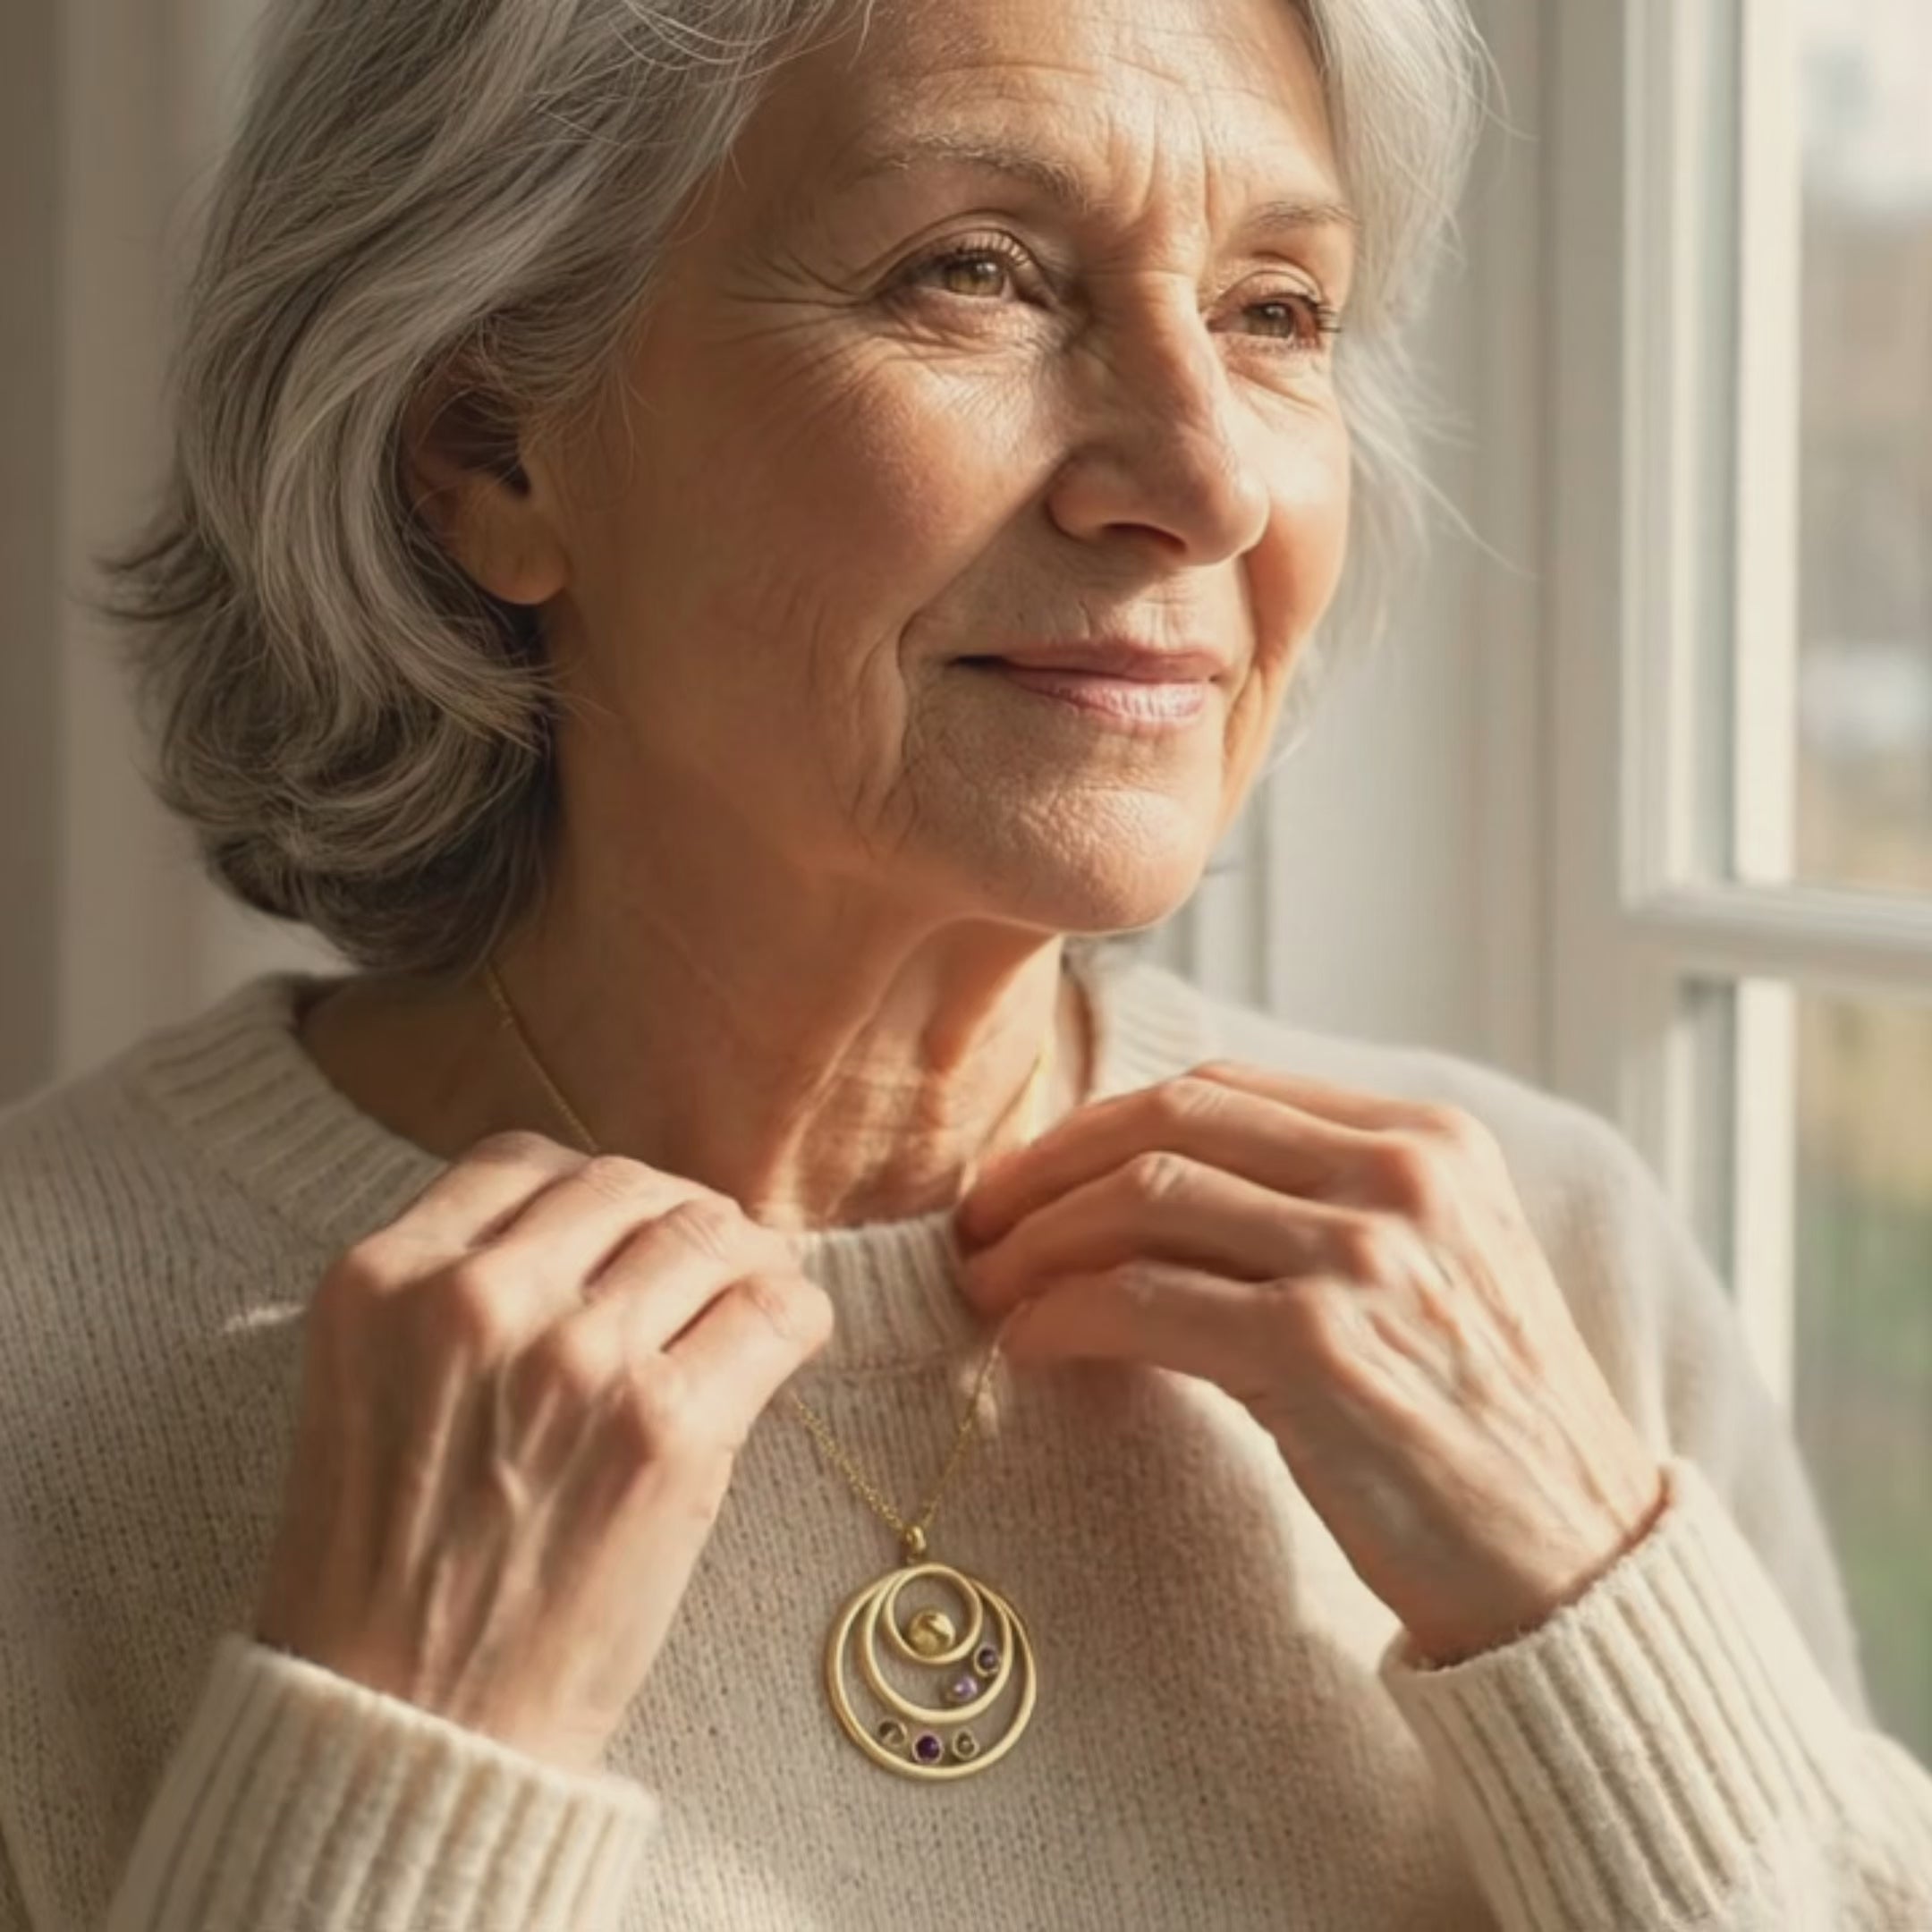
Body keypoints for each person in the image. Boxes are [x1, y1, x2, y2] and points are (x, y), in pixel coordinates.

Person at [2, 0, 1929, 1923]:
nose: (1205, 477)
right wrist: (388, 1770)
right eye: (978, 273)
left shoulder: (1546, 1256)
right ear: (488, 451)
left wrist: (1606, 1628)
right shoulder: (40, 1353)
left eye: (1278, 310)